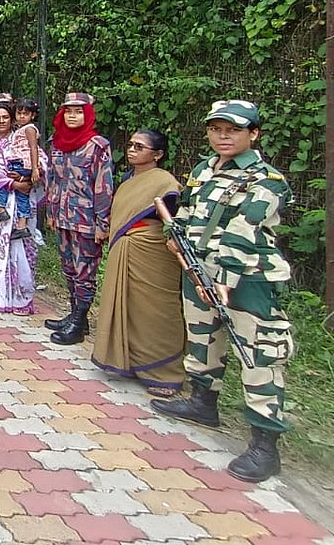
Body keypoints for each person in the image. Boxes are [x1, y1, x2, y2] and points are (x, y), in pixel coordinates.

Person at [150, 100, 293, 483]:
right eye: (216, 129)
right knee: (202, 337)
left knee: (258, 353)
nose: (223, 136)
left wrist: (225, 278)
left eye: (232, 130)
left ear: (254, 133)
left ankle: (265, 444)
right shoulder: (203, 171)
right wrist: (173, 235)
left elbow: (245, 230)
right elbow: (186, 210)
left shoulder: (267, 180)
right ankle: (202, 401)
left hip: (246, 281)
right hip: (197, 271)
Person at [91, 129, 185, 396]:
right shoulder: (128, 180)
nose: (132, 150)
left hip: (152, 252)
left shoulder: (165, 183)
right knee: (128, 306)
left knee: (154, 309)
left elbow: (172, 222)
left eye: (139, 147)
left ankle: (163, 370)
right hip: (126, 248)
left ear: (158, 154)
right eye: (131, 145)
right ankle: (129, 360)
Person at [45, 91, 114, 345]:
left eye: (78, 112)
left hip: (86, 219)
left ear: (88, 115)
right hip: (62, 216)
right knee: (69, 267)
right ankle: (76, 316)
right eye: (69, 111)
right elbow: (52, 180)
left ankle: (79, 319)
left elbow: (103, 186)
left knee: (85, 270)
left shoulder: (97, 145)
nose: (73, 116)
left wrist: (102, 223)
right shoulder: (57, 143)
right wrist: (52, 211)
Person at [0, 103, 46, 314]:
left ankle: (21, 298)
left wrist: (29, 177)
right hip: (0, 205)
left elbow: (41, 161)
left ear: (12, 119)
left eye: (5, 117)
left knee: (22, 246)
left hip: (24, 201)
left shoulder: (22, 138)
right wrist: (14, 184)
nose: (2, 121)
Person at [0, 97, 41, 236]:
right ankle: (22, 225)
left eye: (25, 114)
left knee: (2, 181)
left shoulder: (29, 129)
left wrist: (35, 169)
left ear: (33, 115)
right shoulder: (21, 129)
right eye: (19, 113)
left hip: (21, 164)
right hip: (22, 165)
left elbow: (34, 148)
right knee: (22, 196)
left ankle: (1, 210)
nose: (21, 117)